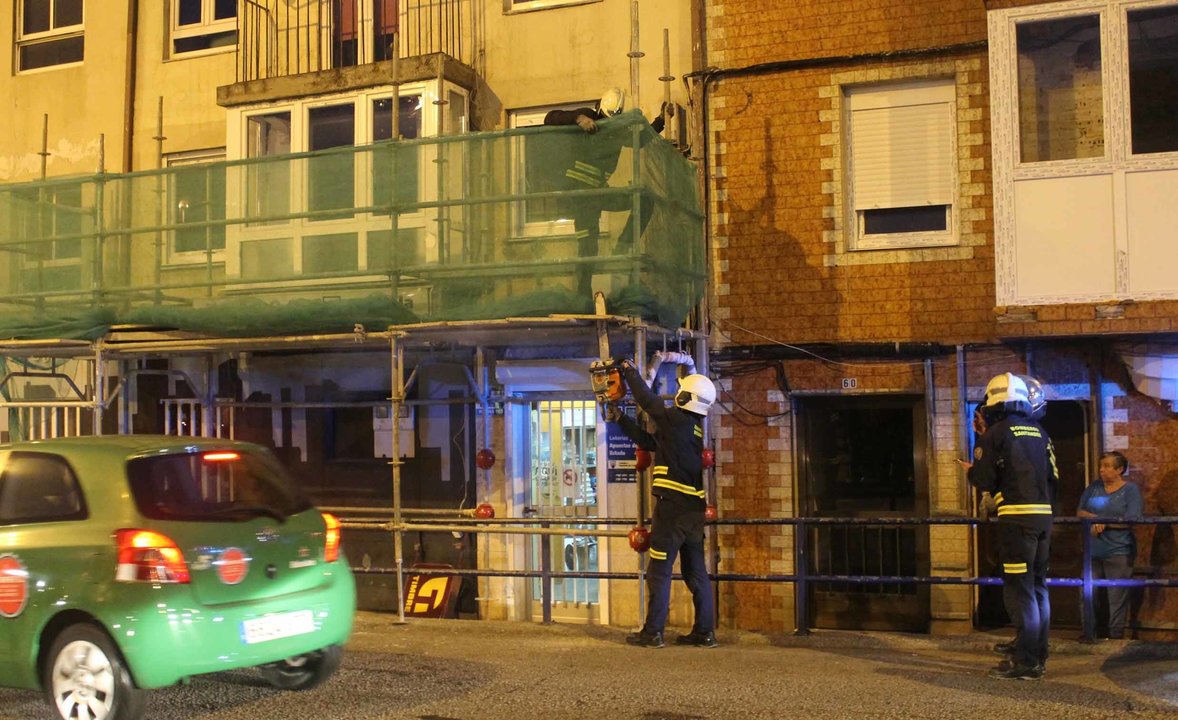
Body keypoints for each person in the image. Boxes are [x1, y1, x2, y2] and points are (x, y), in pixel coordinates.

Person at [604, 358, 716, 649]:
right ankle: (705, 633)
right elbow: (651, 442)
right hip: (694, 513)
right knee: (696, 573)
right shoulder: (692, 428)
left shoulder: (676, 419)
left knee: (659, 570)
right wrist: (621, 420)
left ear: (686, 397)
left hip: (672, 509)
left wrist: (628, 370)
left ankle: (653, 632)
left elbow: (648, 401)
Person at [960, 372, 1058, 679]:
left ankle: (1026, 662)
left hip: (1016, 520)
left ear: (993, 402)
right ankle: (1038, 653)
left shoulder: (996, 434)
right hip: (1044, 518)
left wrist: (971, 472)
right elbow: (1054, 479)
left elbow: (985, 479)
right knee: (1039, 587)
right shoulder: (1040, 431)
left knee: (1019, 592)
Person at [541, 89, 666, 294]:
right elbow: (550, 118)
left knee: (644, 199)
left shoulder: (615, 131)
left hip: (598, 194)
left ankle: (623, 246)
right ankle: (583, 297)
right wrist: (578, 119)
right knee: (588, 247)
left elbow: (639, 140)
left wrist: (661, 120)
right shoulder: (588, 116)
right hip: (580, 196)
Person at [1077, 450, 1144, 640]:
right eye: (1101, 466)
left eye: (1107, 466)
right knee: (1087, 593)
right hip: (1093, 551)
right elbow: (1081, 511)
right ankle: (1088, 633)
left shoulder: (1130, 490)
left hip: (1118, 551)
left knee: (1117, 596)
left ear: (1119, 469)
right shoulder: (1094, 488)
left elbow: (1133, 518)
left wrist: (1107, 522)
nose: (1102, 470)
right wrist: (1094, 519)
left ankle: (1115, 636)